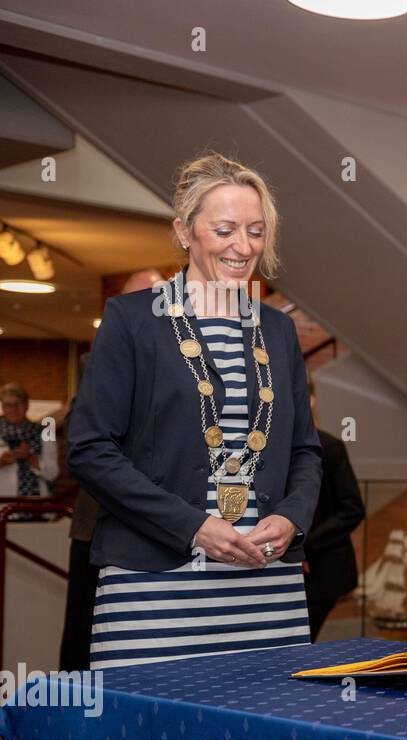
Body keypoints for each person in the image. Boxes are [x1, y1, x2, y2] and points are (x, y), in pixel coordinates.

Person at [68, 152, 322, 670]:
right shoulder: (132, 319)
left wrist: (292, 517)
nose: (243, 246)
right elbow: (91, 449)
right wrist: (193, 526)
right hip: (155, 582)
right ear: (184, 231)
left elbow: (305, 451)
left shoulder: (278, 330)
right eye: (225, 228)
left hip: (264, 583)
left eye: (256, 230)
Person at [59, 270, 164, 672]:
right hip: (98, 523)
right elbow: (81, 434)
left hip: (158, 523)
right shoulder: (101, 356)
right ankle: (74, 723)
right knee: (84, 635)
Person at [302, 374, 365, 641]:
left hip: (323, 569)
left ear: (312, 400)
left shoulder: (330, 447)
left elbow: (353, 509)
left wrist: (304, 547)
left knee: (301, 643)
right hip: (292, 568)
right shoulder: (274, 448)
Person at [0, 382, 59, 505]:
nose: (13, 409)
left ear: (27, 405)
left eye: (18, 404)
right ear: (2, 407)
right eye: (8, 405)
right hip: (3, 509)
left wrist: (30, 457)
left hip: (37, 508)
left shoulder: (45, 432)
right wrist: (1, 463)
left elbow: (53, 474)